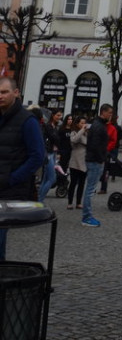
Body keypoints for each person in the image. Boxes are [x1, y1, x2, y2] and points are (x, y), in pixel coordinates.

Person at [0, 78, 46, 259]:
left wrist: (12, 178)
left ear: (16, 93)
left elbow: (37, 156)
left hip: (11, 190)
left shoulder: (27, 121)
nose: (0, 96)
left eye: (4, 92)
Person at [82, 103, 113, 227]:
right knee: (90, 189)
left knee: (90, 189)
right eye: (110, 113)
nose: (111, 115)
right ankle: (87, 217)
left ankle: (87, 215)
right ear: (103, 112)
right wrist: (101, 158)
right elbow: (95, 146)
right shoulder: (98, 126)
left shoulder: (98, 125)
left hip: (94, 159)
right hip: (95, 160)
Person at [36, 108, 60, 202]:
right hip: (48, 153)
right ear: (53, 116)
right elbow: (55, 138)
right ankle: (40, 200)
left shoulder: (54, 127)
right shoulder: (48, 126)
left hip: (53, 153)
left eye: (60, 116)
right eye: (57, 115)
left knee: (46, 178)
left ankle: (39, 200)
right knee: (52, 178)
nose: (59, 117)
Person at [67, 115, 88, 209]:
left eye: (84, 123)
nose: (83, 125)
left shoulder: (87, 133)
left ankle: (79, 202)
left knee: (82, 183)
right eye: (81, 123)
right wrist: (82, 130)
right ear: (77, 124)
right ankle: (70, 202)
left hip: (84, 161)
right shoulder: (74, 132)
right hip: (75, 162)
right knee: (73, 183)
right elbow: (74, 140)